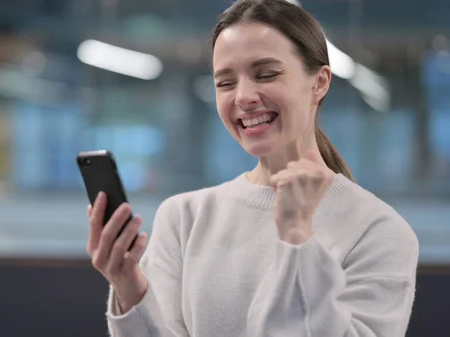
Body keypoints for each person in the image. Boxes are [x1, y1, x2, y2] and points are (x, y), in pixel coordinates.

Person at [85, 0, 419, 336]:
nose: (244, 96)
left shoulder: (378, 231)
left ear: (319, 83)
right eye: (225, 83)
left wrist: (297, 240)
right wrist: (128, 285)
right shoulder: (184, 218)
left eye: (267, 74)